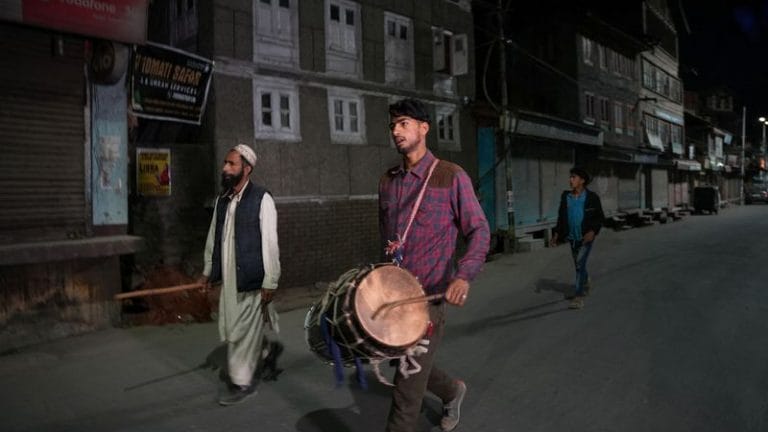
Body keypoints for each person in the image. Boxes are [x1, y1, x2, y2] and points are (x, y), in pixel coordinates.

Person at [379, 98, 490, 432]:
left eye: (404, 123)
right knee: (404, 362)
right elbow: (386, 239)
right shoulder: (388, 182)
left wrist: (464, 275)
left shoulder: (450, 176)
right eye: (393, 125)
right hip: (396, 299)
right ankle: (452, 390)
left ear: (423, 128)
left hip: (430, 299)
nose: (396, 131)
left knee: (406, 389)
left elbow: (479, 230)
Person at [198, 144, 282, 406]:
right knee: (235, 327)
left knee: (241, 332)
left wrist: (271, 281)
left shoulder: (261, 198)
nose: (225, 168)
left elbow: (270, 242)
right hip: (230, 278)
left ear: (247, 169)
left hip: (252, 279)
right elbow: (214, 238)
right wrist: (207, 272)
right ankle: (265, 352)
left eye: (231, 164)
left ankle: (242, 383)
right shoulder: (222, 201)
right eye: (225, 163)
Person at [550, 167, 604, 309]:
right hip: (572, 237)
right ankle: (585, 281)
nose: (570, 180)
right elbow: (561, 217)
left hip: (586, 238)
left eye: (574, 177)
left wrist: (592, 231)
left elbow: (600, 218)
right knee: (578, 264)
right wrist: (556, 234)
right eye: (570, 177)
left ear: (582, 180)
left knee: (579, 264)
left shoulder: (592, 198)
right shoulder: (565, 196)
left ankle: (578, 297)